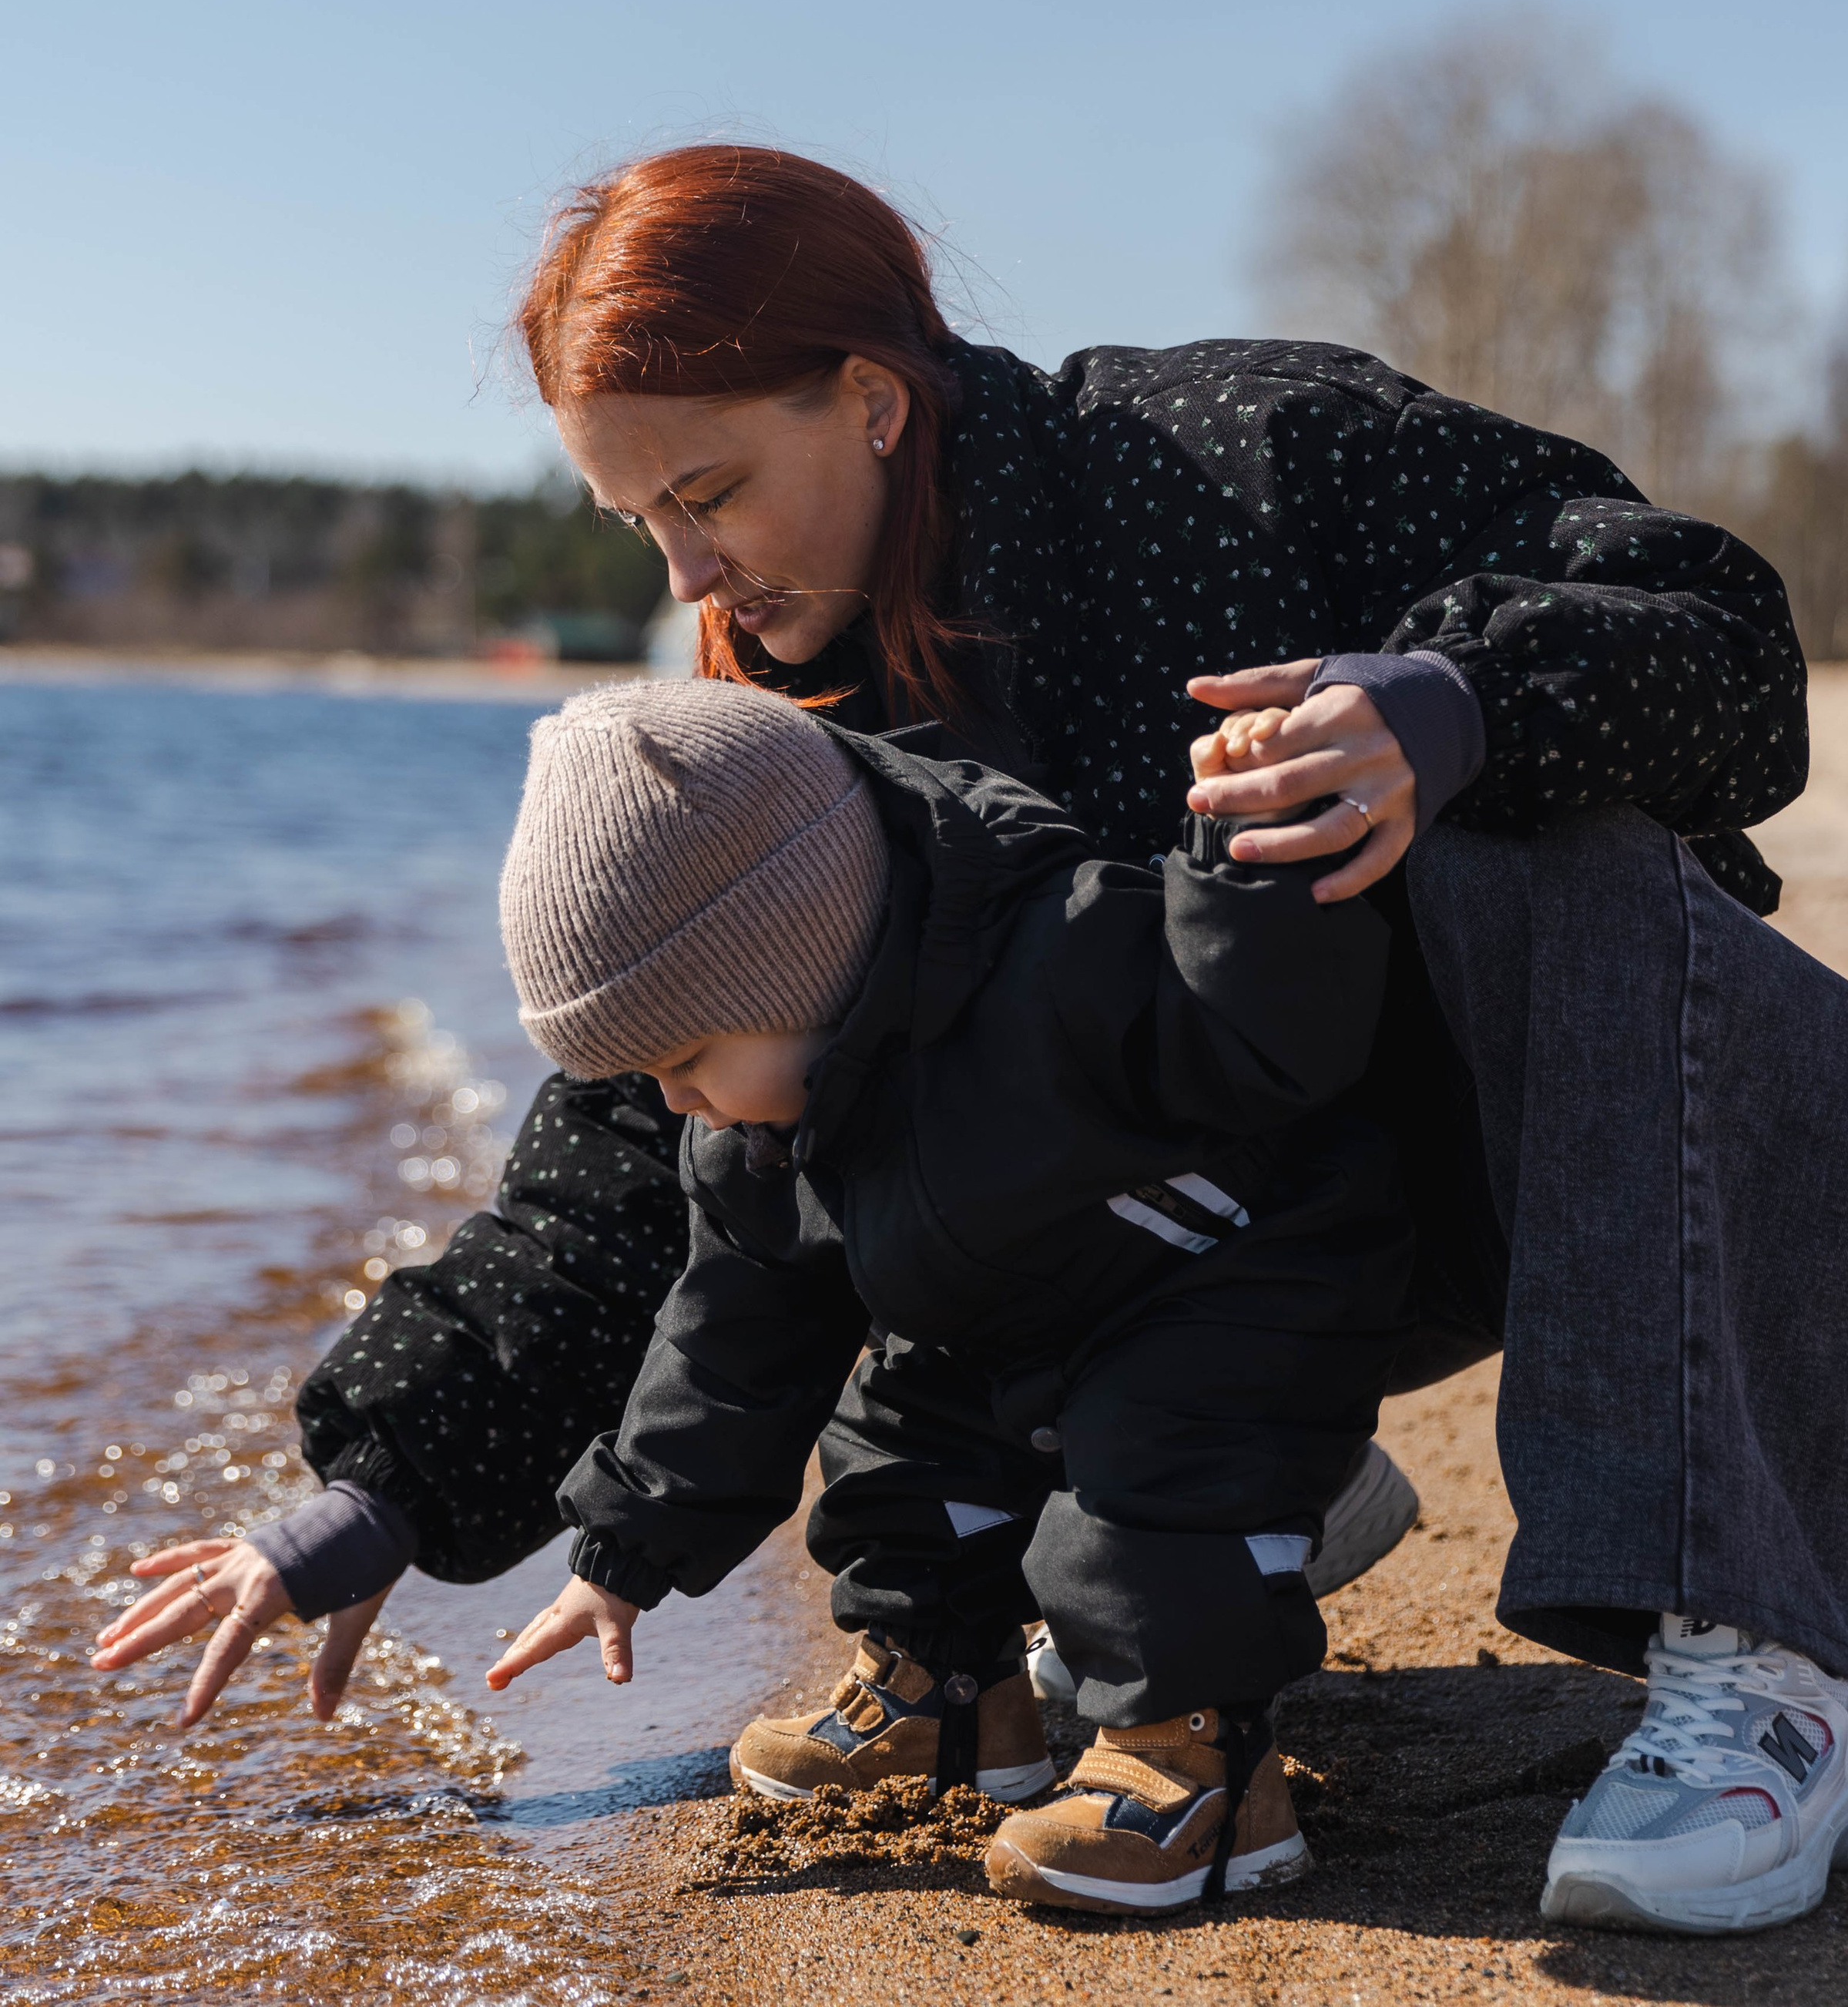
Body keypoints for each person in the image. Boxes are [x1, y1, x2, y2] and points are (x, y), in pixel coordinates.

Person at [94, 143, 1848, 1938]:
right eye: (637, 524)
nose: (687, 568)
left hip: (1532, 1163)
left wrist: (1449, 705)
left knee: (1555, 840)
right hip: (1200, 1273)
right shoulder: (770, 711)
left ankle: (1756, 1670)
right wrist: (383, 1486)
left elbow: (1727, 639)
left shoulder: (1238, 454)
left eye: (710, 492)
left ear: (872, 401)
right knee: (797, 1102)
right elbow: (657, 1139)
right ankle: (1232, 1492)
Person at [481, 670, 1414, 1917]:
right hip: (1018, 1312)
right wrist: (624, 1551)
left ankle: (1207, 1769)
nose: (673, 1102)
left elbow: (1253, 1024)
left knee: (1151, 1488)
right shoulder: (761, 1137)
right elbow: (730, 1347)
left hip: (1231, 1285)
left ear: (793, 958)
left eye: (686, 1057)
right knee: (893, 1441)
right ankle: (956, 1706)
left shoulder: (1057, 960)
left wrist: (1247, 858)